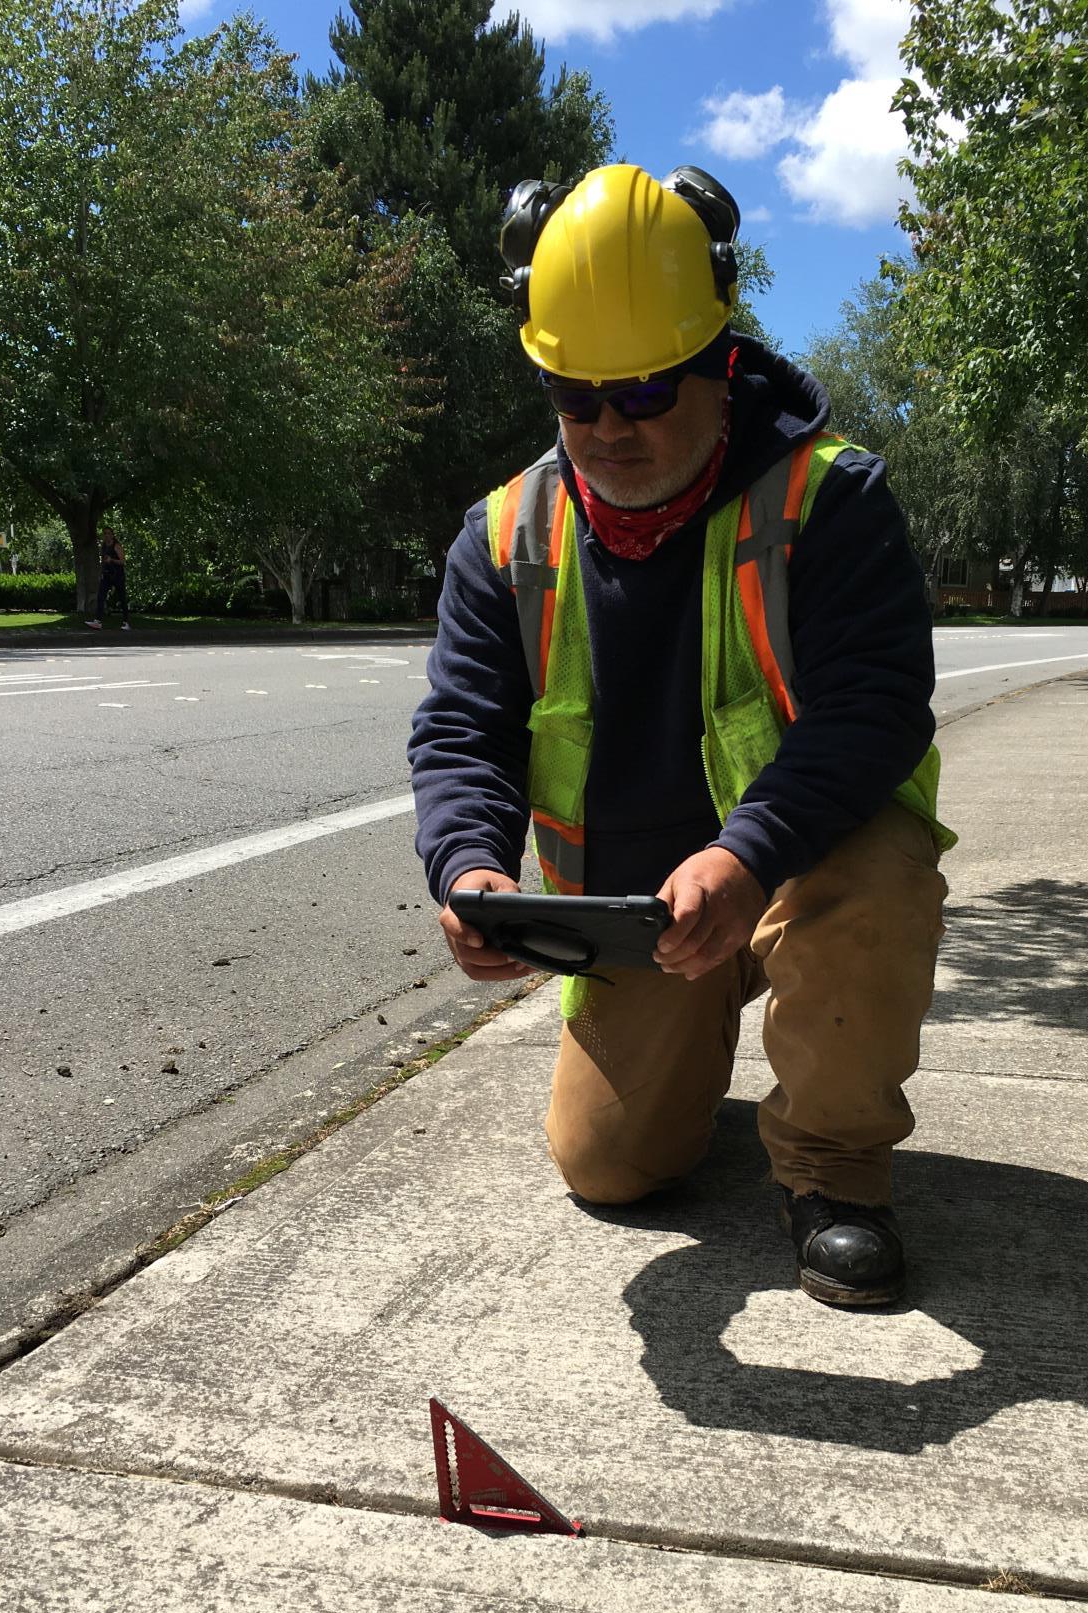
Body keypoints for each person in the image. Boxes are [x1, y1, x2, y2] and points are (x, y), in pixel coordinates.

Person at [408, 163, 954, 1309]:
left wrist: (746, 855)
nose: (610, 427)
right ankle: (696, 1042)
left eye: (648, 394)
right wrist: (467, 869)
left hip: (802, 864)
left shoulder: (828, 498)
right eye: (577, 396)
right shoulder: (502, 535)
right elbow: (462, 730)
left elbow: (875, 708)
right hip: (638, 919)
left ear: (719, 365)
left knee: (876, 868)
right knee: (607, 1168)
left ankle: (835, 1169)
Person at [86, 527, 130, 630]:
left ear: (112, 535)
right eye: (105, 534)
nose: (107, 535)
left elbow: (123, 561)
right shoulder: (104, 546)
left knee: (122, 598)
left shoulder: (116, 546)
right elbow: (103, 561)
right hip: (106, 575)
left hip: (117, 575)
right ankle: (98, 621)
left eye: (109, 533)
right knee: (100, 596)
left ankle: (126, 622)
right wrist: (101, 572)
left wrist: (112, 560)